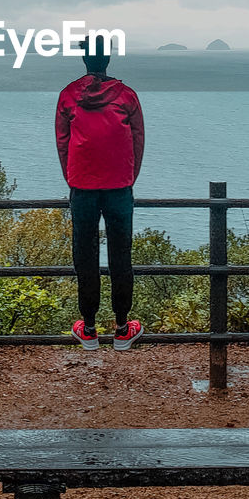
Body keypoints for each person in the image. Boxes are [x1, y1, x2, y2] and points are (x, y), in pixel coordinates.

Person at [56, 34, 145, 351]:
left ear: (85, 61)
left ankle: (89, 329)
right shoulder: (127, 96)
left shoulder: (69, 96)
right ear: (107, 60)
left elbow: (63, 144)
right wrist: (127, 177)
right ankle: (123, 328)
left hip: (82, 187)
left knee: (86, 255)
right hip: (119, 187)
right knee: (121, 256)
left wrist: (73, 178)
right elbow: (138, 141)